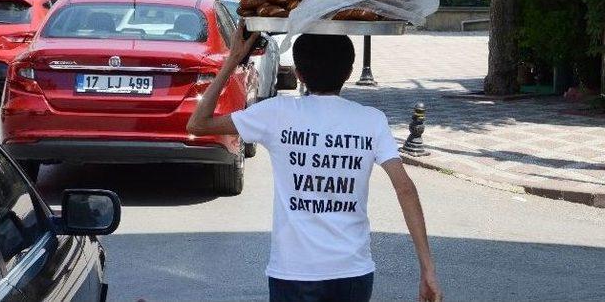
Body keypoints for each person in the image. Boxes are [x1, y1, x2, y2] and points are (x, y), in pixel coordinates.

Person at [187, 22, 442, 302]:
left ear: (299, 75)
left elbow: (198, 123)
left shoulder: (276, 113)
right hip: (352, 274)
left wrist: (233, 59)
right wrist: (427, 269)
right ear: (349, 72)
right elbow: (405, 189)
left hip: (293, 273)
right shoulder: (372, 120)